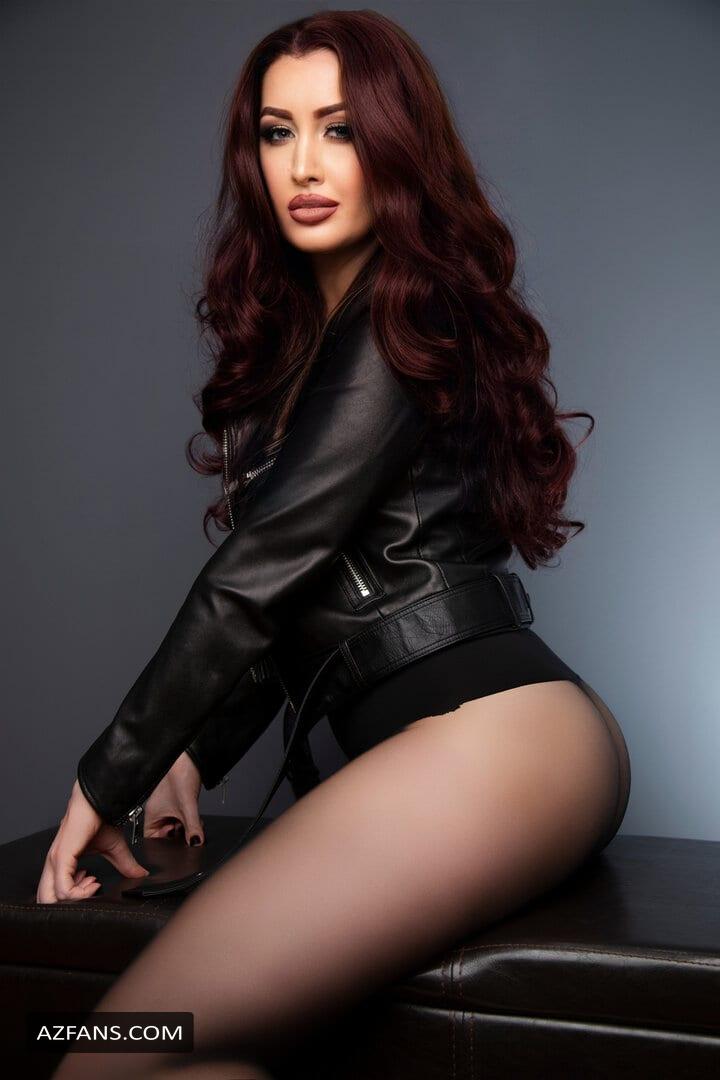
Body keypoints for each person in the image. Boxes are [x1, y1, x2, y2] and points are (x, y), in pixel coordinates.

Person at [41, 10, 631, 1078]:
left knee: (109, 1056)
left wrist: (106, 776)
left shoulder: (410, 316)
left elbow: (257, 574)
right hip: (454, 746)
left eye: (341, 129)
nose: (305, 165)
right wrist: (192, 757)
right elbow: (303, 594)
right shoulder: (313, 344)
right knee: (139, 1055)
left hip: (497, 738)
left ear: (396, 145)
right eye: (279, 132)